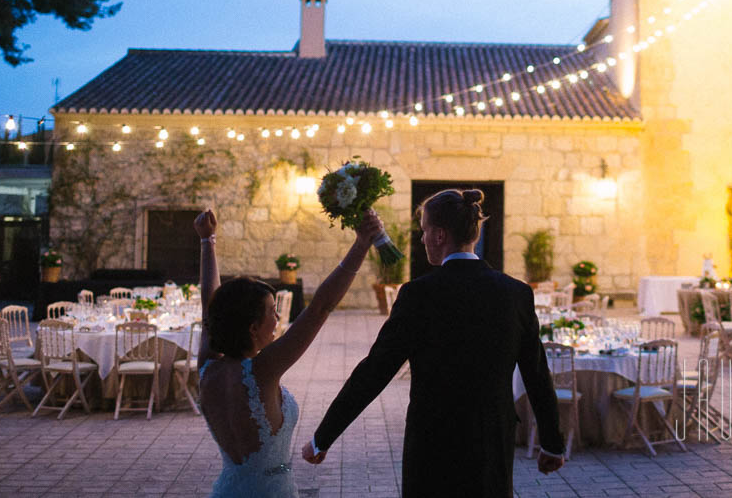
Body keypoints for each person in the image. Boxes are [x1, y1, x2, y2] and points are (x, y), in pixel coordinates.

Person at [303, 188, 565, 497]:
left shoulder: (418, 295)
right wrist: (551, 442)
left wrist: (323, 437)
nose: (423, 239)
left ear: (440, 235)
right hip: (491, 442)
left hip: (432, 444)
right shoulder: (516, 293)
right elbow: (536, 374)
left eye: (425, 231)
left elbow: (375, 371)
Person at [194, 207, 382, 497]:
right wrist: (361, 245)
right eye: (272, 312)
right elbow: (321, 307)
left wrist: (208, 241)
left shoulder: (207, 368)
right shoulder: (262, 370)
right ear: (253, 327)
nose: (278, 319)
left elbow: (209, 305)